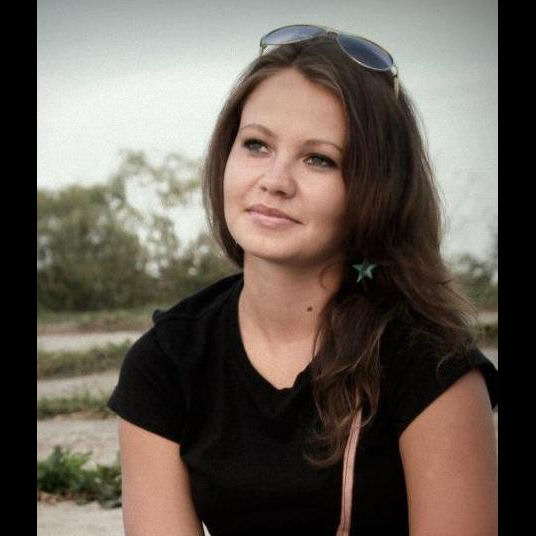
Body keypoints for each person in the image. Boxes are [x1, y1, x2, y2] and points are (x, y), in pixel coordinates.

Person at [107, 25, 498, 536]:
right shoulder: (166, 362)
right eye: (256, 145)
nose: (274, 181)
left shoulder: (430, 364)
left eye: (319, 159)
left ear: (376, 189)